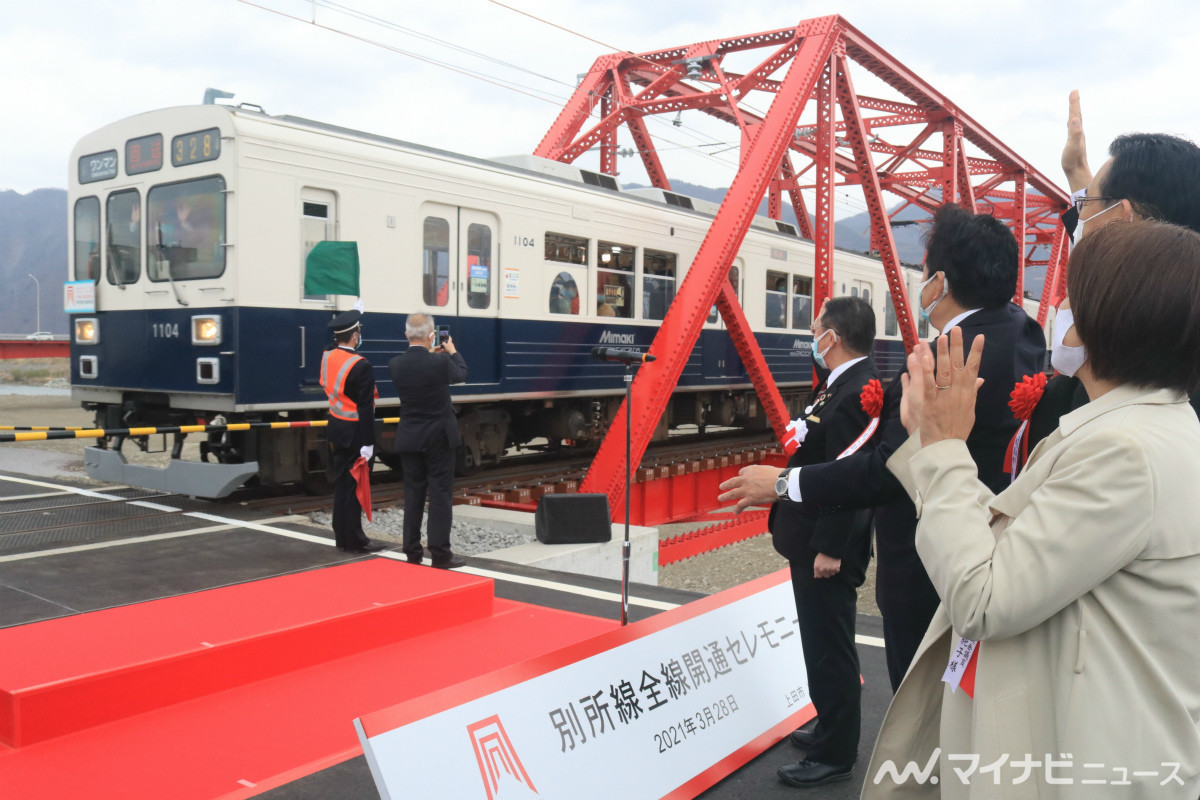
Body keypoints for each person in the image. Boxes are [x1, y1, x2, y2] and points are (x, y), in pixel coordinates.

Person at [864, 220, 1200, 798]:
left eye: (1073, 296)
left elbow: (984, 598)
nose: (1060, 310)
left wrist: (942, 447)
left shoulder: (1121, 451)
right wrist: (931, 446)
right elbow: (1013, 549)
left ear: (1111, 317)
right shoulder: (1158, 427)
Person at [719, 203, 1046, 691]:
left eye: (925, 274)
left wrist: (785, 483)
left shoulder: (948, 360)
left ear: (941, 282)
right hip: (995, 547)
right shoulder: (1021, 333)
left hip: (928, 570)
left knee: (922, 709)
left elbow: (885, 469)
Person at [770, 297, 880, 789]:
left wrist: (832, 547)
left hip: (825, 547)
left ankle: (836, 752)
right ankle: (828, 725)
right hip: (810, 537)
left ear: (832, 337)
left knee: (830, 646)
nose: (813, 338)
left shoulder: (860, 392)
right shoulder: (839, 385)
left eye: (817, 330)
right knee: (818, 641)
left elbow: (852, 478)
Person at [389, 313, 468, 568]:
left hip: (410, 437)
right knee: (440, 495)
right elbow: (462, 374)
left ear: (406, 335)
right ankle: (440, 554)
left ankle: (412, 552)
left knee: (413, 494)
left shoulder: (395, 364)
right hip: (440, 439)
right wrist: (452, 351)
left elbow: (419, 369)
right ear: (432, 336)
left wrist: (433, 356)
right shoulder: (441, 363)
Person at [320, 308, 386, 554]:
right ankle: (356, 539)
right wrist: (368, 443)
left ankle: (342, 535)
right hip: (356, 433)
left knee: (342, 485)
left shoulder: (327, 356)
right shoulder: (361, 366)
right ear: (355, 335)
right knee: (356, 486)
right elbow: (366, 408)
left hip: (336, 427)